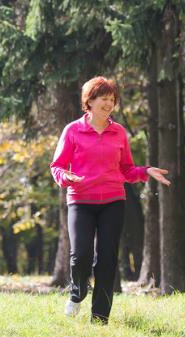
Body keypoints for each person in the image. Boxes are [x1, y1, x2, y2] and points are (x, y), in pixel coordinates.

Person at [50, 76, 171, 324]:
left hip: (113, 201)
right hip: (81, 200)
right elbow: (57, 166)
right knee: (80, 255)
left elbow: (126, 169)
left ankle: (100, 319)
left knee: (107, 258)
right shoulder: (72, 130)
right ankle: (77, 293)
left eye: (112, 100)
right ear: (90, 101)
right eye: (104, 99)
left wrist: (145, 171)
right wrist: (66, 177)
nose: (109, 104)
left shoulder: (118, 132)